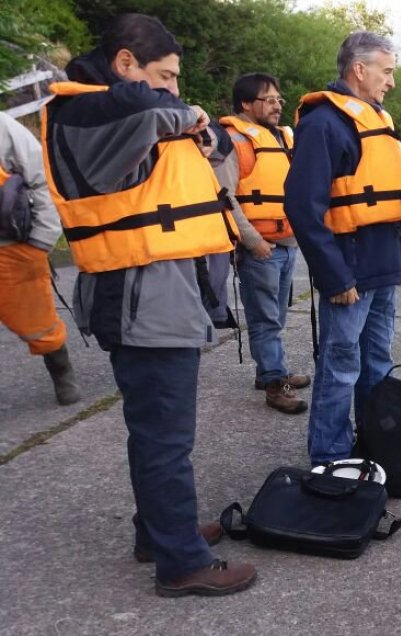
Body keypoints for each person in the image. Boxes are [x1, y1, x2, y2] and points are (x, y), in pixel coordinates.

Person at [40, 13, 256, 596]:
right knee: (165, 438)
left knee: (158, 433)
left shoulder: (114, 110)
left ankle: (160, 531)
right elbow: (151, 110)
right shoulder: (85, 111)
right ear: (126, 64)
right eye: (165, 75)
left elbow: (172, 128)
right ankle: (181, 562)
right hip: (140, 304)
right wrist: (192, 116)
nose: (175, 91)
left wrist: (200, 130)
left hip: (158, 300)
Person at [285, 32, 401, 465]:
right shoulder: (325, 122)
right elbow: (303, 207)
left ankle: (373, 443)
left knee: (377, 363)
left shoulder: (375, 117)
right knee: (341, 366)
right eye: (387, 71)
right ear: (359, 70)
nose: (392, 82)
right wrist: (333, 275)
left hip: (382, 266)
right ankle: (329, 456)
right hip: (349, 272)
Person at [216, 73, 309, 414]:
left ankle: (270, 370)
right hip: (260, 248)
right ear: (246, 103)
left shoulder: (283, 137)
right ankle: (275, 384)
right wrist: (252, 240)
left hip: (287, 243)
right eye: (269, 99)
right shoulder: (232, 141)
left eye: (279, 99)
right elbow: (223, 197)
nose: (277, 105)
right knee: (265, 320)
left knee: (276, 316)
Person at [0, 111, 80, 406]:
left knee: (38, 322)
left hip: (12, 245)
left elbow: (42, 178)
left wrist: (41, 240)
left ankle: (61, 370)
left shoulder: (3, 128)